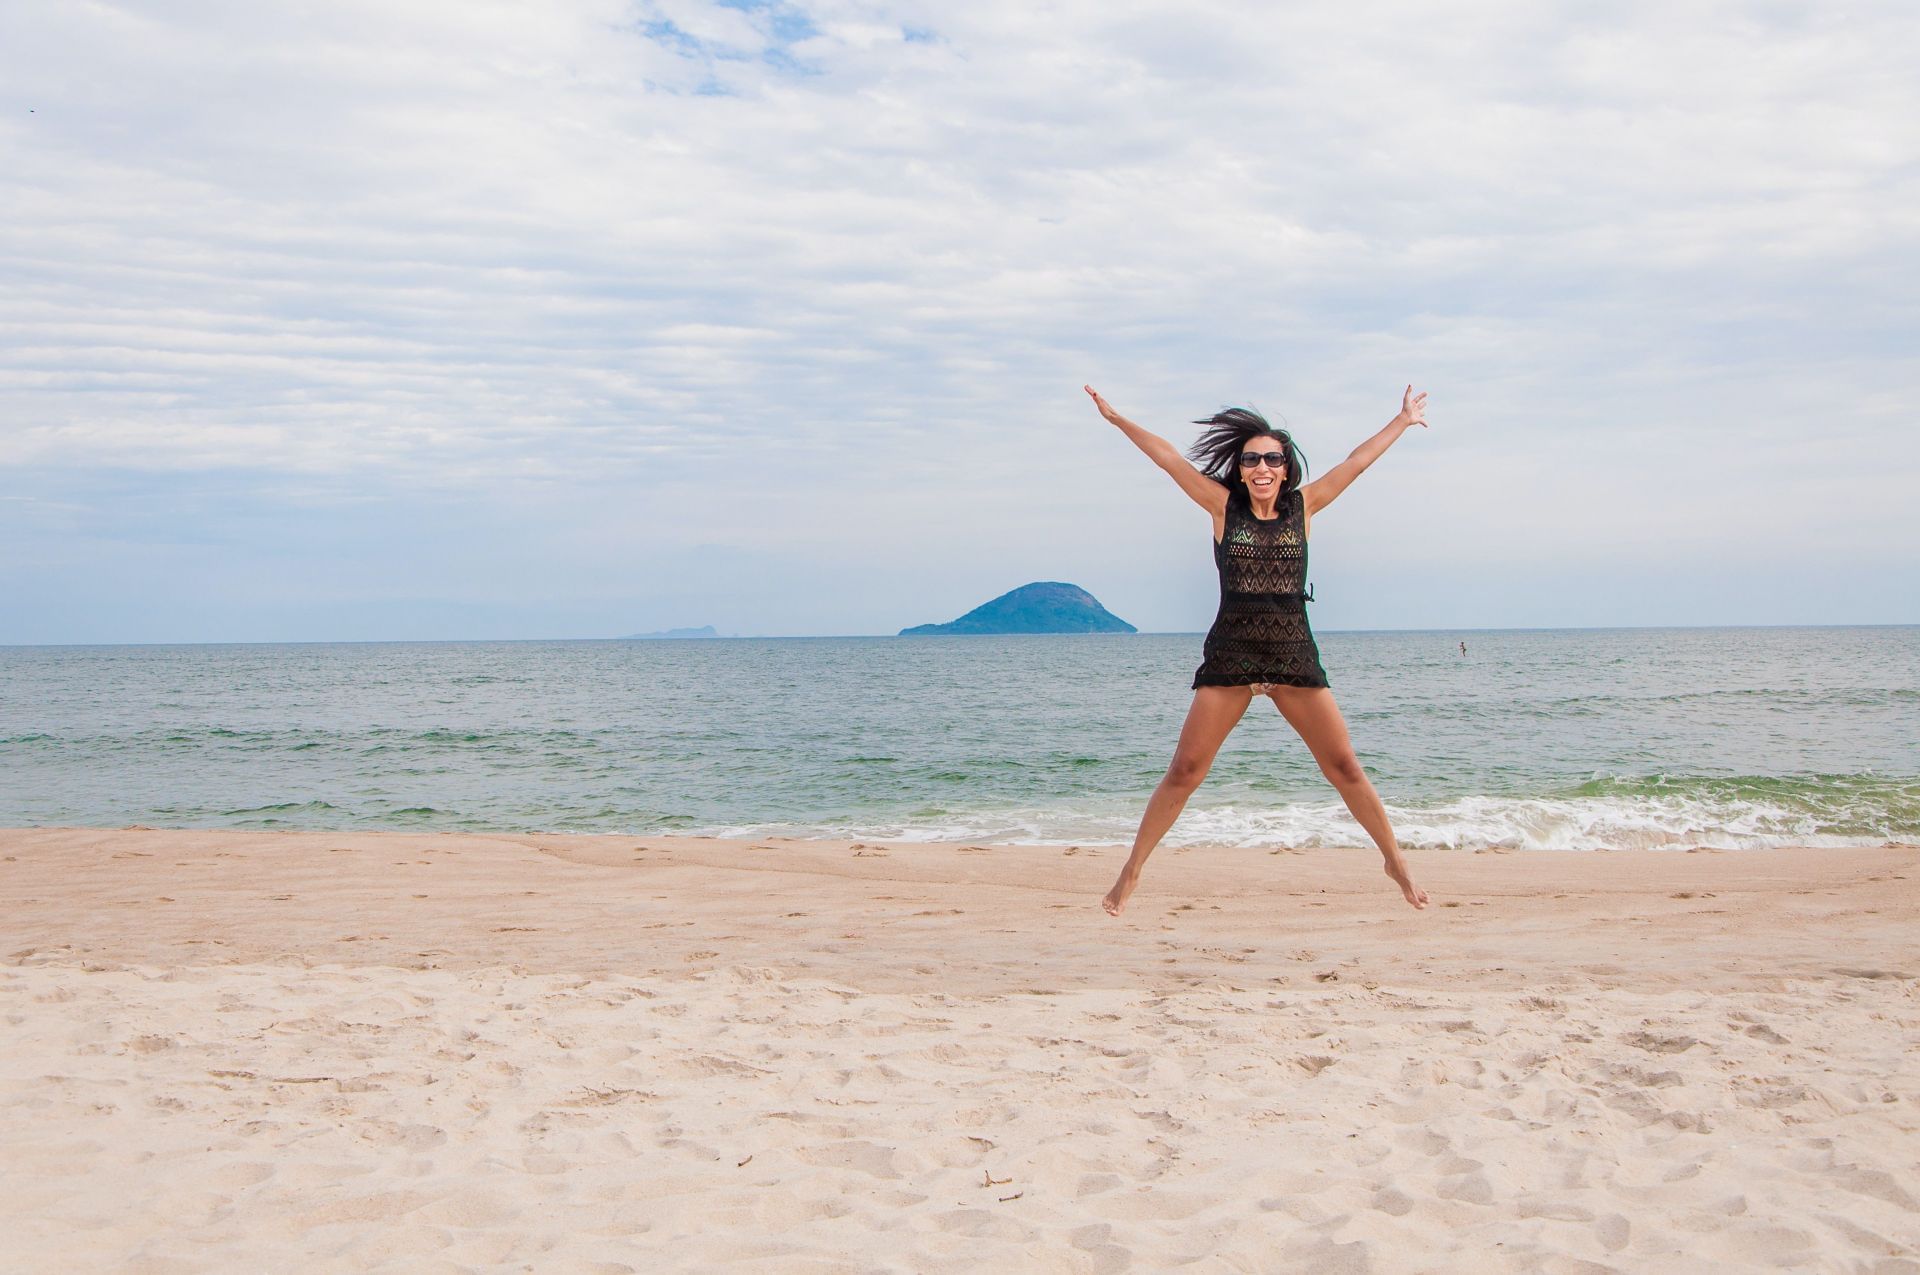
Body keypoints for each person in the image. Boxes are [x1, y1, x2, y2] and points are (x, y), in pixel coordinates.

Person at [1082, 384, 1432, 915]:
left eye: (1272, 458)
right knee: (1185, 771)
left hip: (1293, 655)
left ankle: (1396, 862)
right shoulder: (1222, 507)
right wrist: (1117, 419)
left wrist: (1401, 421)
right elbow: (1169, 459)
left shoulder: (1304, 506)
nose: (1262, 467)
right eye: (1251, 460)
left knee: (1344, 767)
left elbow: (1355, 463)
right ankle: (1132, 869)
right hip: (1231, 656)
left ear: (1285, 469)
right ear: (1241, 470)